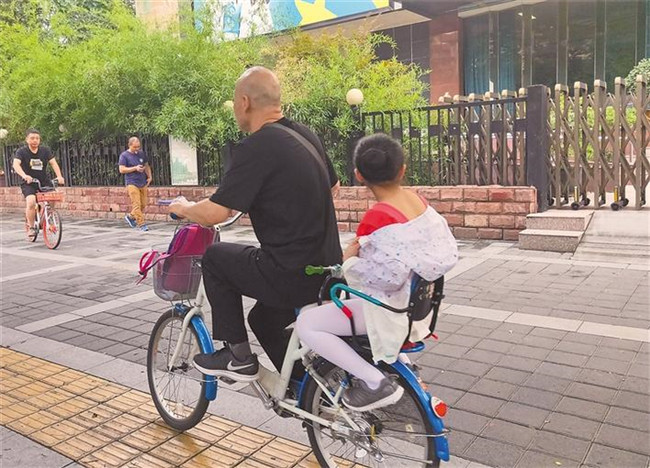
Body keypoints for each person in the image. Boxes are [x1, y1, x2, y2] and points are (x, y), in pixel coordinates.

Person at [169, 66, 341, 381]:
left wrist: (184, 208)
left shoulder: (257, 146)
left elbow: (216, 213)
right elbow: (333, 186)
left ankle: (237, 357)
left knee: (215, 258)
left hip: (290, 273)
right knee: (262, 320)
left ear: (245, 102)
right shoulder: (305, 134)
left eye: (235, 102)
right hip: (328, 270)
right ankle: (301, 390)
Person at [296, 134, 458, 411]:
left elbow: (387, 277)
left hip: (388, 311)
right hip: (417, 309)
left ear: (359, 175)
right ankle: (402, 364)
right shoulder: (419, 202)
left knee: (307, 324)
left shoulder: (379, 216)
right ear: (402, 170)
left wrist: (349, 261)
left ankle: (374, 383)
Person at [12, 128, 65, 240]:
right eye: (32, 138)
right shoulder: (22, 152)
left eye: (37, 138)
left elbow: (53, 163)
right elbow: (16, 164)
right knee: (31, 202)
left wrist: (59, 176)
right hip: (29, 183)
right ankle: (31, 227)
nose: (35, 140)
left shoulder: (45, 150)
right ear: (27, 139)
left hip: (44, 181)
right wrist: (24, 175)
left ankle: (48, 216)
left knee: (53, 198)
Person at [119, 137, 152, 232]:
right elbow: (121, 169)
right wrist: (135, 168)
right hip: (132, 182)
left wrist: (149, 176)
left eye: (138, 147)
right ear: (129, 145)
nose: (137, 149)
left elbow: (146, 165)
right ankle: (142, 224)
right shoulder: (124, 155)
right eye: (135, 147)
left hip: (142, 182)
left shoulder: (141, 153)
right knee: (136, 204)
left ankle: (130, 216)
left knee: (143, 204)